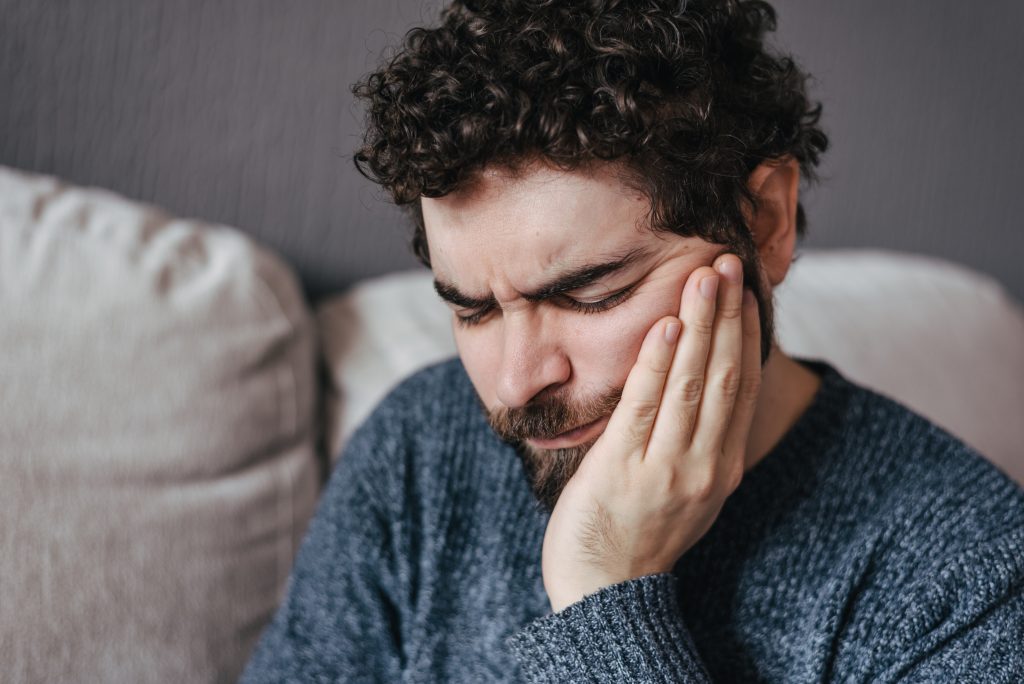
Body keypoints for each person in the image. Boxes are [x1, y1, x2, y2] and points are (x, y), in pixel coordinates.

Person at [242, 0, 1024, 681]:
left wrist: (603, 596)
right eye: (474, 309)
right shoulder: (419, 451)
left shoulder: (972, 578)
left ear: (766, 223)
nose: (516, 382)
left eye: (590, 292)